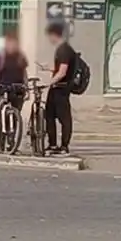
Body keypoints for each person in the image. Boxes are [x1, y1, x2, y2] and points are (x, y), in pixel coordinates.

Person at [44, 22, 77, 155]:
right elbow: (60, 69)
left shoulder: (64, 50)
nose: (49, 39)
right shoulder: (64, 49)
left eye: (49, 36)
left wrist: (49, 83)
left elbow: (63, 72)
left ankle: (64, 146)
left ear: (54, 35)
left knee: (64, 118)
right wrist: (49, 69)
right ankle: (52, 144)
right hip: (57, 88)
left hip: (61, 89)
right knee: (49, 115)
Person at [0, 29, 28, 111]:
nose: (11, 45)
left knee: (16, 112)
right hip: (3, 88)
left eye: (13, 43)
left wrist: (26, 89)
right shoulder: (1, 56)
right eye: (9, 43)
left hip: (18, 89)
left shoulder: (20, 56)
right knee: (1, 111)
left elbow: (24, 73)